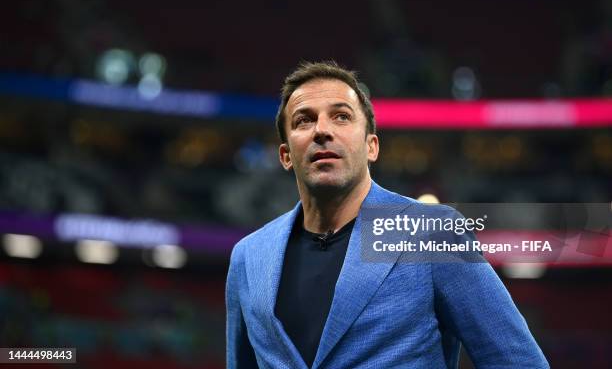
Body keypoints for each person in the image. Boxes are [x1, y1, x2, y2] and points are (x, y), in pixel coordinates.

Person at [226, 61, 548, 368]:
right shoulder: (248, 257)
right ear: (285, 155)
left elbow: (518, 361)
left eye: (341, 117)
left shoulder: (433, 232)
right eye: (303, 120)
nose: (321, 130)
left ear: (372, 147)